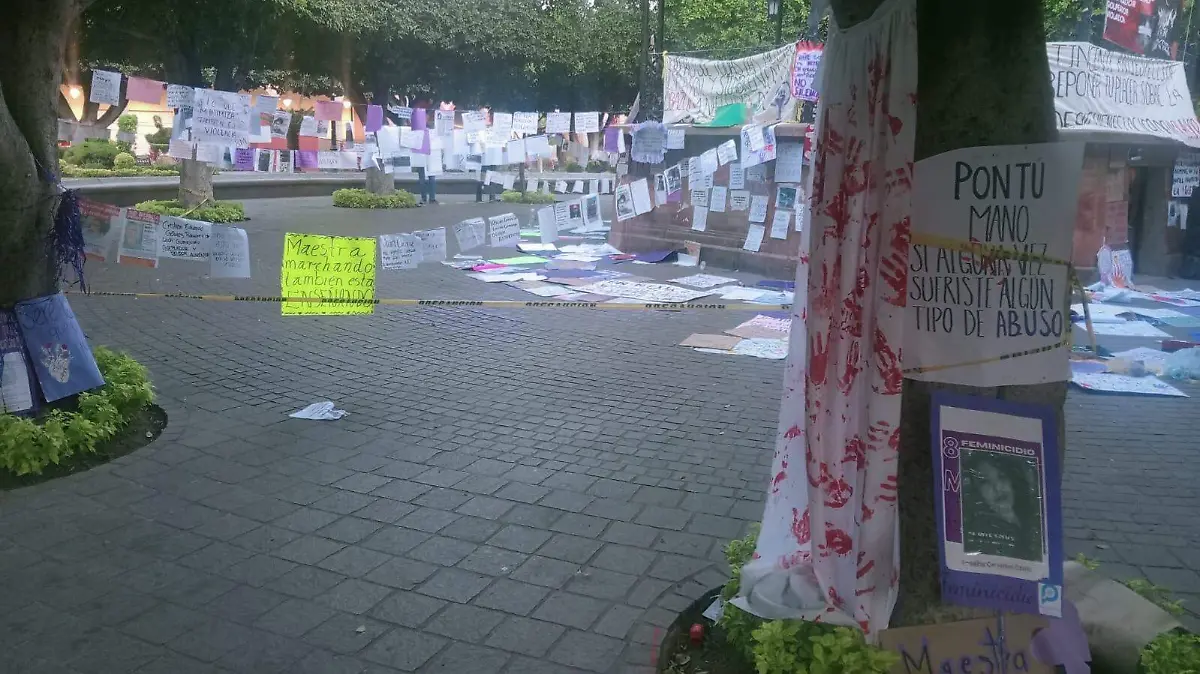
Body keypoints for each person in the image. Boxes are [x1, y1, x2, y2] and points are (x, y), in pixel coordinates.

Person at [960, 451, 1044, 562]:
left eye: (1002, 476)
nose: (998, 487)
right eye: (985, 482)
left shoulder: (1034, 514)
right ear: (976, 490)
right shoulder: (982, 535)